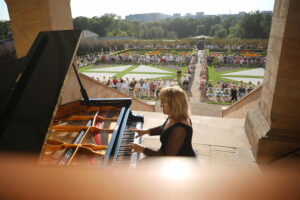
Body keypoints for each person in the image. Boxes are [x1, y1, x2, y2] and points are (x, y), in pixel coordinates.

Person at [127, 86, 196, 157]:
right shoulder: (174, 116)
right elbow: (166, 129)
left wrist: (142, 149)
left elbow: (166, 156)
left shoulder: (180, 129)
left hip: (181, 162)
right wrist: (146, 131)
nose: (161, 106)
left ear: (174, 105)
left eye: (163, 103)